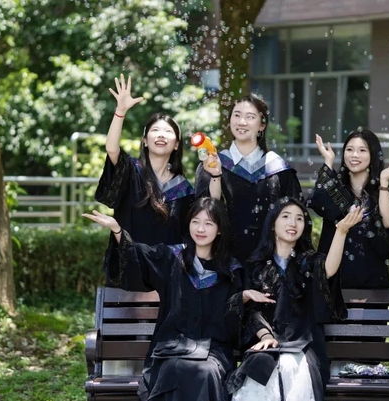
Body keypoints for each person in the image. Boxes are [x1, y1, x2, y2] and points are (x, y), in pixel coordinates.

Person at [83, 197, 272, 401]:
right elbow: (139, 256)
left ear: (219, 230)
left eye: (208, 223)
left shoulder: (231, 271)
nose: (200, 228)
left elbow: (234, 321)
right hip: (172, 349)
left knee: (206, 371)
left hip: (213, 352)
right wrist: (118, 231)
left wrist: (242, 300)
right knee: (176, 368)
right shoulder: (172, 258)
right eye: (195, 221)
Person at [227, 197, 363, 401]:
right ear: (272, 224)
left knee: (290, 365)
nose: (293, 223)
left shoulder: (308, 262)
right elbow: (251, 313)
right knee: (263, 371)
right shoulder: (255, 266)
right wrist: (266, 337)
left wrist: (341, 231)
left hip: (304, 346)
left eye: (299, 218)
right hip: (266, 346)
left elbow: (328, 269)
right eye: (286, 216)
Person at [95, 74, 194, 288]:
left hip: (167, 274)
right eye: (155, 130)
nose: (161, 135)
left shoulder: (184, 189)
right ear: (145, 141)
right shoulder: (131, 171)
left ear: (177, 144)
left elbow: (189, 236)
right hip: (129, 269)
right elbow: (112, 148)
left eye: (168, 132)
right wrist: (120, 111)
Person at [195, 93, 303, 269]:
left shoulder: (278, 169)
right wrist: (215, 176)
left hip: (271, 264)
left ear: (262, 125)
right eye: (237, 115)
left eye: (250, 117)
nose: (242, 122)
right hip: (224, 264)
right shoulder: (213, 164)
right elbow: (204, 214)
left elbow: (295, 218)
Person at [306, 129, 389, 290]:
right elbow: (318, 200)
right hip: (333, 283)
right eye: (350, 149)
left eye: (362, 150)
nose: (354, 155)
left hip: (372, 285)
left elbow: (388, 224)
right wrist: (328, 162)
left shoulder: (384, 194)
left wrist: (384, 182)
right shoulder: (336, 188)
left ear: (373, 154)